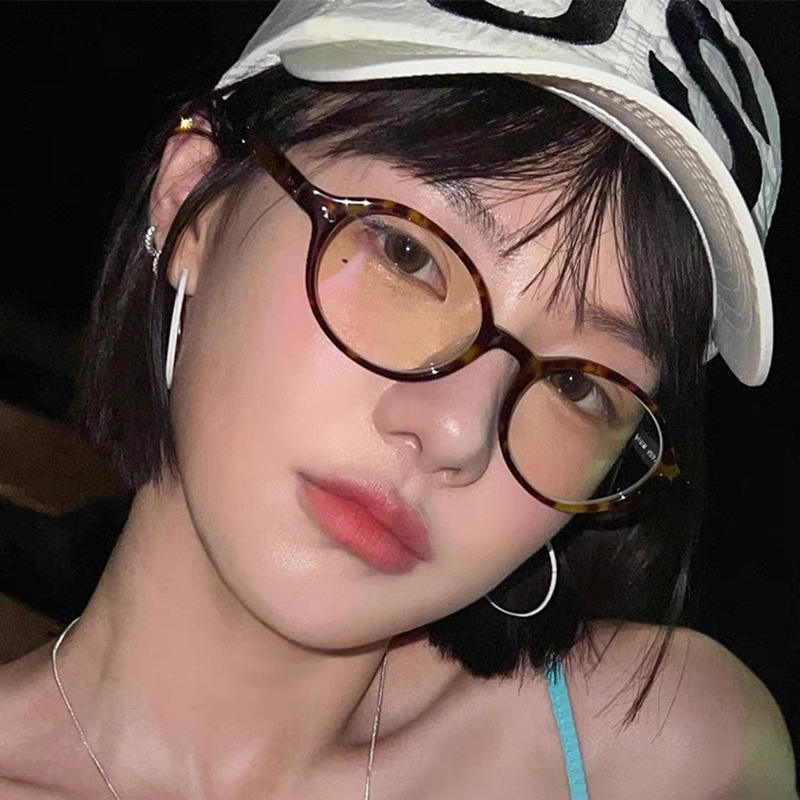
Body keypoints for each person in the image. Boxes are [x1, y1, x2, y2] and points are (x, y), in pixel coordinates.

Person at [0, 1, 795, 797]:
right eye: (409, 254)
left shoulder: (668, 757)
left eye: (576, 385)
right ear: (195, 197)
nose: (457, 430)